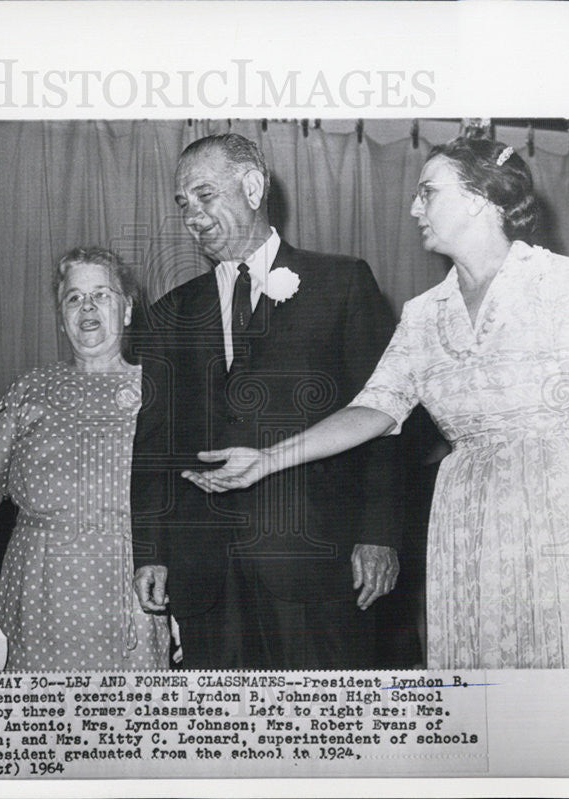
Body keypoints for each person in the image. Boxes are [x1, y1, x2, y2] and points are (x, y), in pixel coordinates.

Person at [185, 136, 569, 669]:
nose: (413, 208)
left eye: (428, 192)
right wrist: (266, 460)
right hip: (464, 521)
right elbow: (374, 409)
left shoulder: (560, 282)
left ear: (479, 198)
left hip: (558, 513)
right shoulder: (426, 312)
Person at [131, 133, 405, 670]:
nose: (193, 215)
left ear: (253, 188)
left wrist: (379, 535)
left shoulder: (342, 283)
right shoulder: (170, 313)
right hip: (207, 575)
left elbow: (388, 418)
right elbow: (153, 441)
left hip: (317, 563)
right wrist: (152, 553)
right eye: (183, 203)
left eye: (205, 195)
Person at [0, 247, 170, 671]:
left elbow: (185, 503)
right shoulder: (30, 389)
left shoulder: (160, 392)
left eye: (102, 295)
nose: (88, 308)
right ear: (61, 317)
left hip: (129, 594)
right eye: (74, 298)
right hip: (37, 596)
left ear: (128, 310)